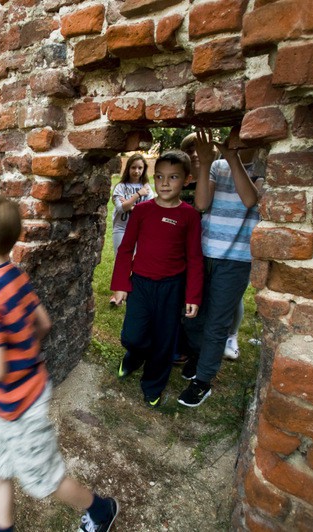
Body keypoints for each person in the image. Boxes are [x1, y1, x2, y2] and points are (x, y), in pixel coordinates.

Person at [0, 195, 119, 532]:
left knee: (44, 480)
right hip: (14, 400)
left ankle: (101, 508)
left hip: (21, 406)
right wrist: (23, 355)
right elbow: (44, 323)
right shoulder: (14, 275)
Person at [178, 127, 264, 407]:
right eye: (232, 136)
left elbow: (250, 199)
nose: (235, 141)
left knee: (217, 323)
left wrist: (233, 159)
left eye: (243, 137)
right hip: (203, 254)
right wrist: (207, 162)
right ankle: (198, 358)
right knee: (192, 314)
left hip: (236, 259)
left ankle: (203, 381)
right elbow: (202, 203)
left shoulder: (264, 167)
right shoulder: (216, 166)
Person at [110, 151, 204, 407]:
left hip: (172, 287)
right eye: (160, 176)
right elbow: (126, 248)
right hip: (140, 283)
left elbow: (195, 258)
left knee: (164, 341)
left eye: (173, 177)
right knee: (132, 336)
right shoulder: (142, 211)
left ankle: (153, 385)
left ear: (186, 180)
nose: (164, 183)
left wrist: (193, 295)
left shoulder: (190, 216)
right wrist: (120, 285)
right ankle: (135, 355)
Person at [109, 154, 154, 306]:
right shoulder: (120, 187)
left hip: (140, 230)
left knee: (136, 260)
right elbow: (121, 208)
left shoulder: (148, 188)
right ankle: (117, 295)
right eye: (133, 167)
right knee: (121, 259)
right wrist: (138, 195)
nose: (136, 171)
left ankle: (130, 290)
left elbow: (149, 211)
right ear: (128, 168)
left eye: (140, 168)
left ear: (144, 169)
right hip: (121, 228)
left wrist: (131, 205)